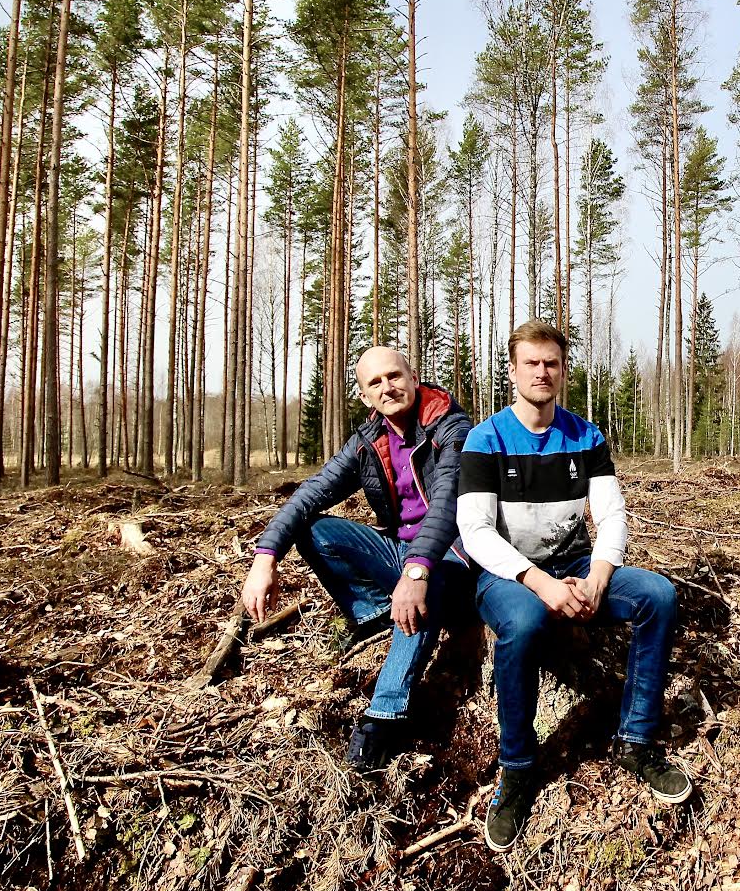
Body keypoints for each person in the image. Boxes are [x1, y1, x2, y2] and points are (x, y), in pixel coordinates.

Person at [457, 320, 691, 851]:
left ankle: (636, 740)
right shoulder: (485, 439)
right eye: (531, 363)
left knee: (657, 595)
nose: (542, 372)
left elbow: (610, 516)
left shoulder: (585, 436)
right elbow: (475, 532)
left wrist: (598, 577)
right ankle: (517, 767)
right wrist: (540, 584)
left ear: (563, 369)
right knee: (525, 620)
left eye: (552, 363)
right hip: (507, 573)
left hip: (576, 562)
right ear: (513, 370)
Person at [241, 346, 472, 769]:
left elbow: (447, 504)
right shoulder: (369, 440)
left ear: (413, 376)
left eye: (394, 376)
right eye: (375, 383)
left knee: (423, 592)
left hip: (453, 555)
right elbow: (310, 493)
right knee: (313, 527)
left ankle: (385, 714)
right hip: (399, 551)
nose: (388, 387)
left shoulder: (449, 427)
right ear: (365, 396)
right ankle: (371, 616)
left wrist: (417, 570)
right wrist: (265, 556)